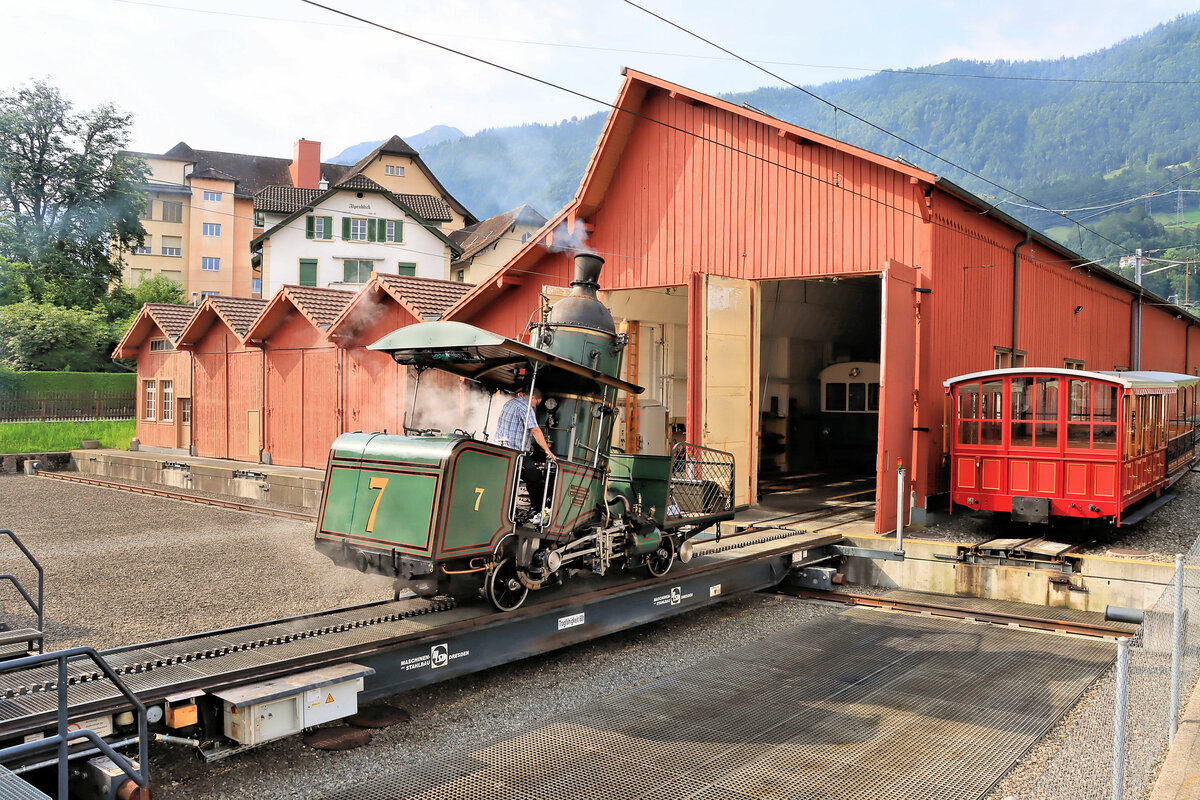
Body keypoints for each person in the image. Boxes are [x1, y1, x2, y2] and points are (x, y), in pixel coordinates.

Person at [496, 387, 556, 520]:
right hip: (516, 453)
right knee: (535, 480)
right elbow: (535, 430)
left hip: (500, 450)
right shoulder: (526, 408)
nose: (535, 406)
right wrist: (548, 451)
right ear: (534, 398)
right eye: (537, 403)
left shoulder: (510, 403)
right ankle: (538, 513)